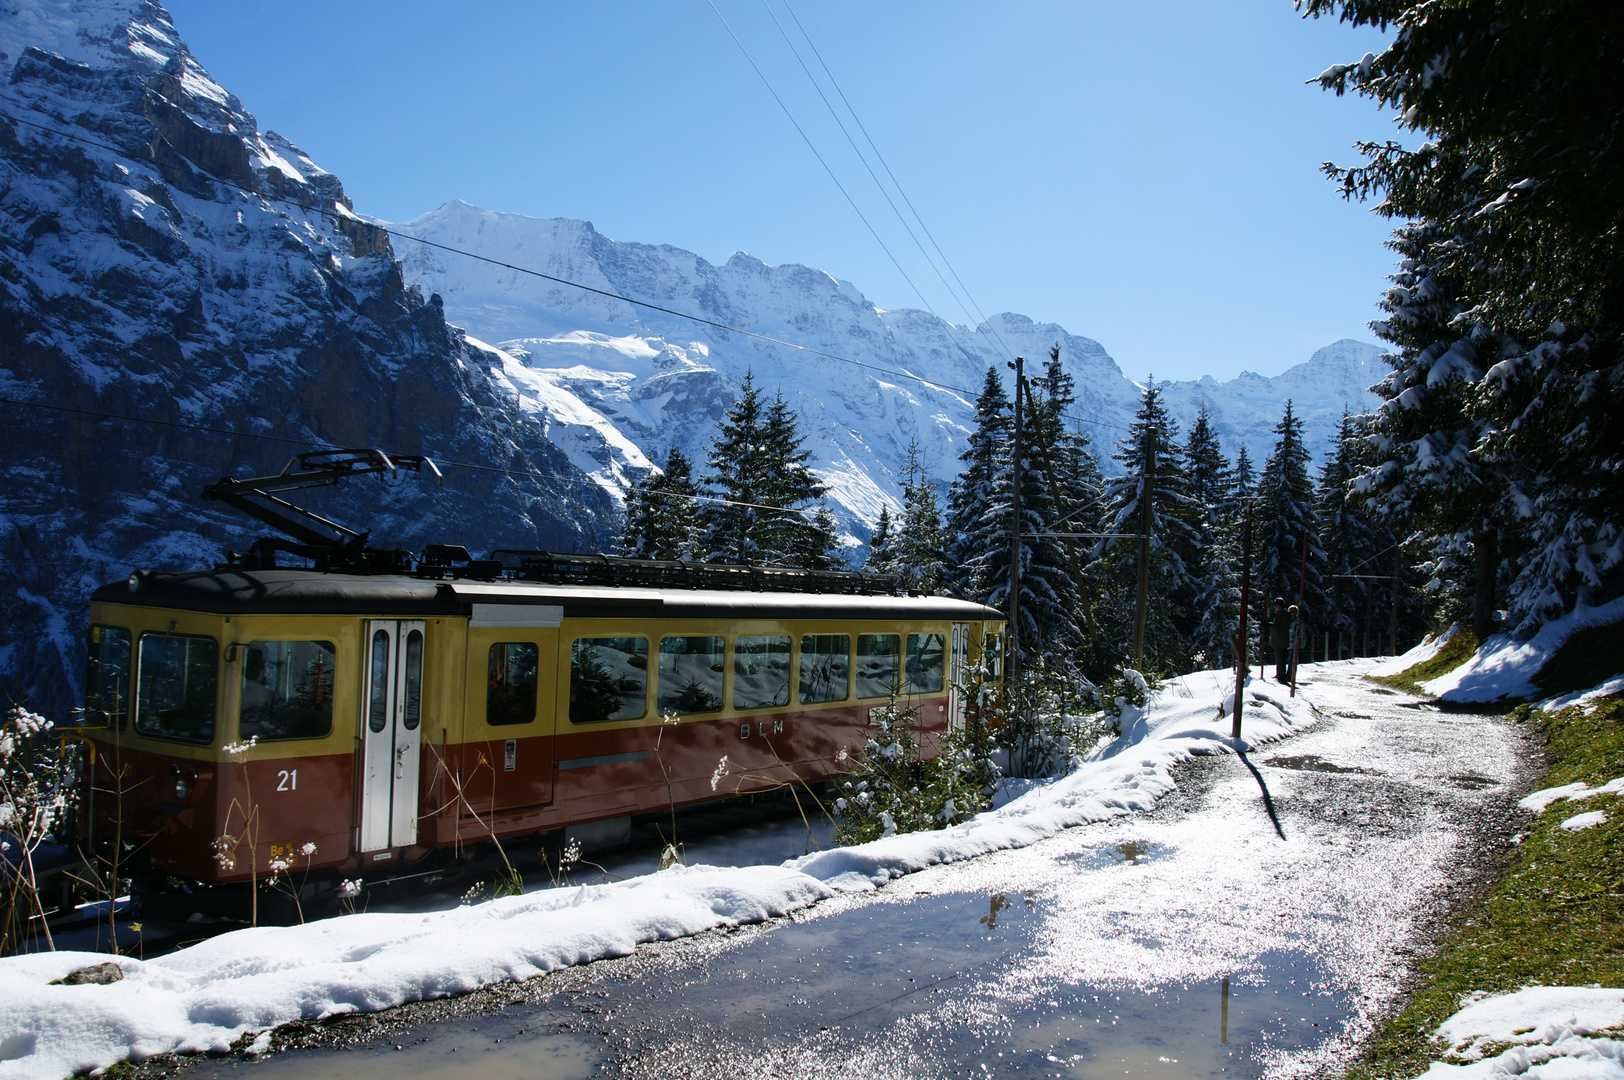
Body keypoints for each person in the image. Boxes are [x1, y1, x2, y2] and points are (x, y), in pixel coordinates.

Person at [1268, 598, 1291, 682]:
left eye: (1276, 605)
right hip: (1279, 639)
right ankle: (1280, 673)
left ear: (1280, 606)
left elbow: (1280, 627)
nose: (1275, 607)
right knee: (1279, 657)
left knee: (1280, 657)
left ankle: (1281, 674)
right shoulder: (1281, 614)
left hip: (1281, 640)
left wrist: (1270, 625)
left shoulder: (1283, 615)